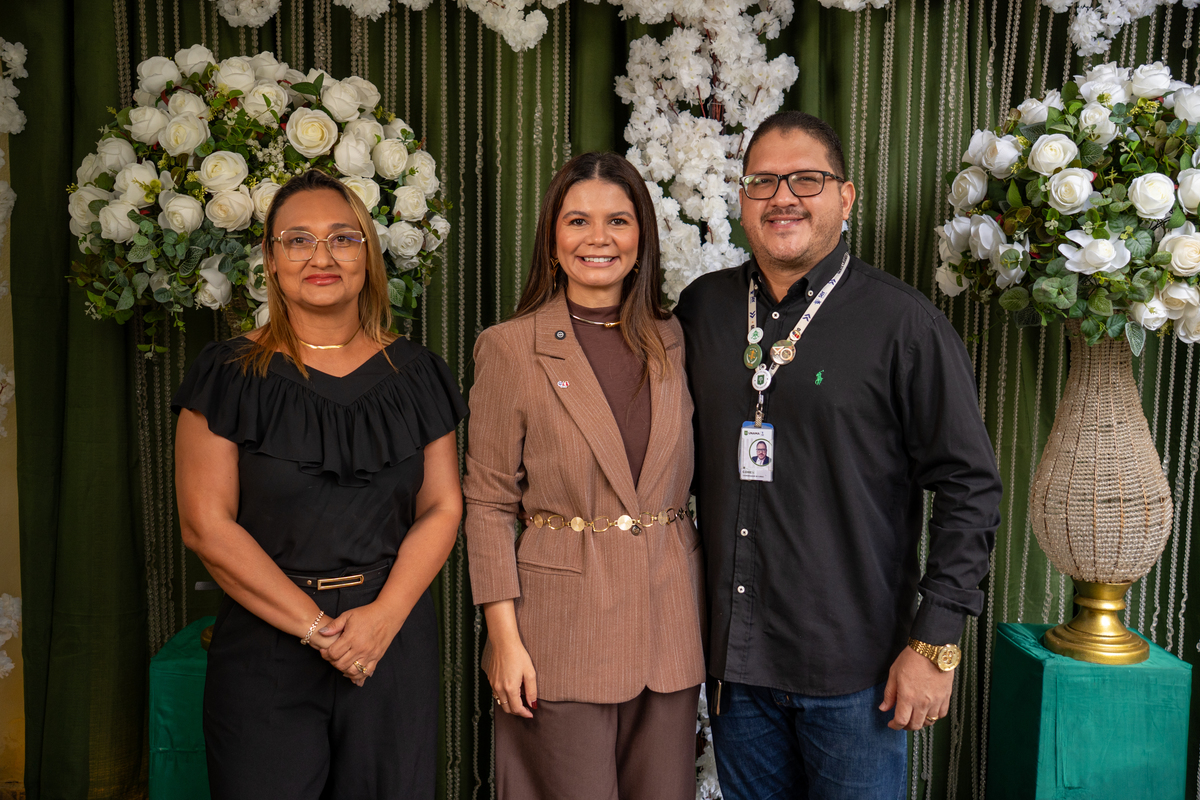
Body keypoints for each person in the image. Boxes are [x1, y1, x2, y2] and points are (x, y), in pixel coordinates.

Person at [674, 111, 1003, 799]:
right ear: (742, 200)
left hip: (855, 674)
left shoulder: (903, 324)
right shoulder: (703, 310)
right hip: (736, 668)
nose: (782, 197)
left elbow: (970, 486)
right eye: (763, 181)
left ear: (846, 198)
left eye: (807, 180)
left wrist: (935, 641)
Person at [173, 168, 466, 799]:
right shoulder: (226, 374)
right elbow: (205, 524)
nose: (321, 256)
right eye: (298, 240)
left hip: (390, 641)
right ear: (271, 262)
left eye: (342, 237)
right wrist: (316, 629)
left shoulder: (419, 374)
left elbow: (442, 507)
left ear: (369, 253)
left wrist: (382, 620)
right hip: (266, 647)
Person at [463, 152, 705, 800]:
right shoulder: (510, 348)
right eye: (577, 221)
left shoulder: (678, 341)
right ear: (552, 236)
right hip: (558, 636)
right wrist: (503, 639)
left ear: (642, 237)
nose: (598, 238)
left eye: (618, 221)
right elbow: (487, 504)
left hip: (670, 632)